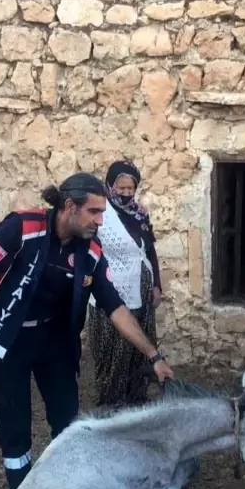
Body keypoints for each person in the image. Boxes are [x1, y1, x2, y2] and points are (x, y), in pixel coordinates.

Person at [0, 172, 174, 489]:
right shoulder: (22, 228)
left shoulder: (91, 251)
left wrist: (155, 356)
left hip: (55, 341)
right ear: (70, 206)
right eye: (94, 212)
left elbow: (115, 307)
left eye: (103, 213)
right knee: (15, 424)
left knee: (67, 418)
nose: (100, 221)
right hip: (9, 341)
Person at [88, 161, 164, 408]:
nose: (126, 194)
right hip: (110, 291)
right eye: (121, 188)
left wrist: (156, 285)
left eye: (131, 189)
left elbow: (149, 250)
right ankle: (112, 401)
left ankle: (136, 398)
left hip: (141, 289)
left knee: (139, 346)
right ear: (110, 185)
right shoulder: (101, 214)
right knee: (115, 347)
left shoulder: (139, 213)